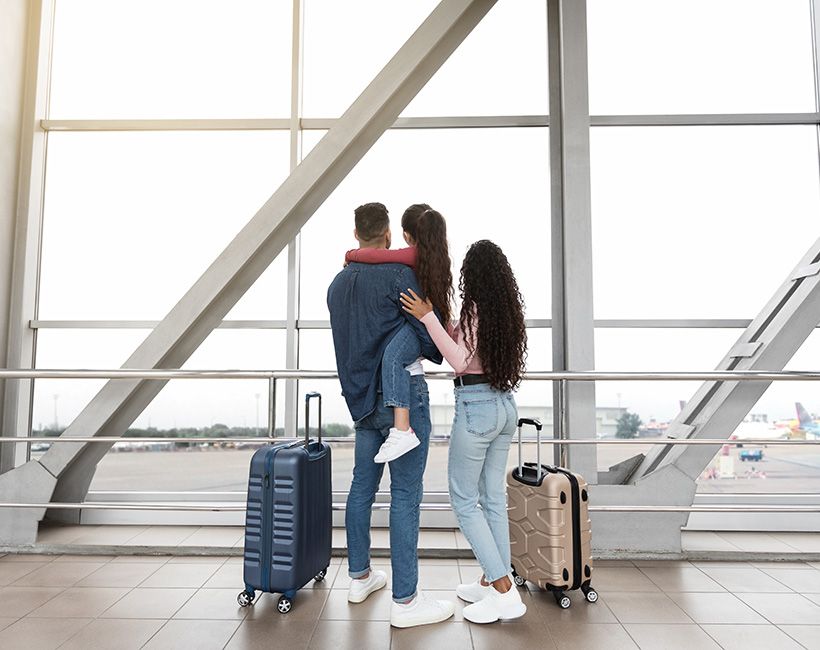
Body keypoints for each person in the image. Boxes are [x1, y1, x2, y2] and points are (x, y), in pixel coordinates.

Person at [327, 202, 455, 628]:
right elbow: (431, 343)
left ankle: (359, 576)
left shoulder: (337, 285)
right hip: (404, 402)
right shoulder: (400, 275)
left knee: (361, 488)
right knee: (404, 495)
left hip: (362, 402)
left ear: (356, 232)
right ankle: (405, 601)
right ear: (386, 235)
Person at [401, 239, 529, 624]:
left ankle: (504, 590)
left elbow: (459, 361)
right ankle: (492, 581)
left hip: (476, 408)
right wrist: (445, 324)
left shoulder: (476, 308)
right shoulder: (504, 311)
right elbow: (471, 349)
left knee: (463, 500)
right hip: (504, 406)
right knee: (492, 499)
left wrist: (427, 319)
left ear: (471, 274)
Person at [344, 206, 453, 464]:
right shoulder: (433, 256)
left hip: (420, 323)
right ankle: (402, 428)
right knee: (395, 355)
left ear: (405, 235)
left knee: (392, 356)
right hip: (426, 325)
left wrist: (352, 254)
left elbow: (377, 257)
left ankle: (402, 429)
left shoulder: (410, 256)